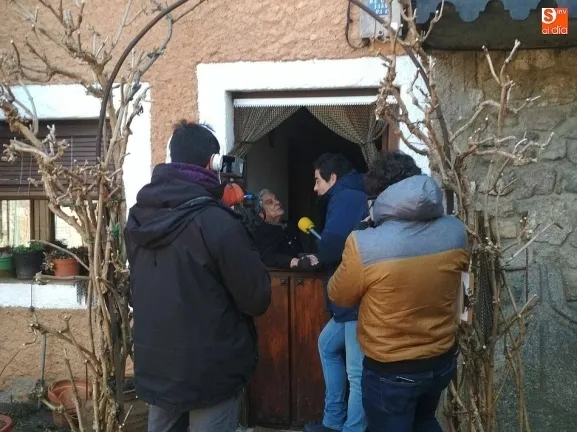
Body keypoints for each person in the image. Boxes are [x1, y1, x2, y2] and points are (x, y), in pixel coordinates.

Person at [124, 120, 271, 432]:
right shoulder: (218, 222)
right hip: (210, 373)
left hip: (158, 366)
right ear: (213, 162)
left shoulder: (137, 218)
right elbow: (256, 297)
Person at [328, 151, 469, 432]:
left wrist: (362, 230)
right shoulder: (456, 231)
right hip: (440, 360)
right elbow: (461, 288)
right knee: (425, 421)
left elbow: (339, 295)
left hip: (391, 371)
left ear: (379, 193)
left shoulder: (364, 243)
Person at [304, 153, 368, 432]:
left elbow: (331, 246)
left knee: (356, 371)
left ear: (332, 178)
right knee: (327, 345)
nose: (315, 187)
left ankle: (352, 428)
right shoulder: (350, 194)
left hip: (355, 298)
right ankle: (332, 421)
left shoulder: (345, 197)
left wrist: (320, 252)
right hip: (348, 300)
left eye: (318, 180)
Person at [253, 189, 318, 269]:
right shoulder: (260, 231)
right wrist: (293, 261)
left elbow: (296, 252)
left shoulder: (290, 225)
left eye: (276, 199)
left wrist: (305, 257)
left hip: (299, 273)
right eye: (270, 202)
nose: (277, 202)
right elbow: (266, 257)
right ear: (261, 214)